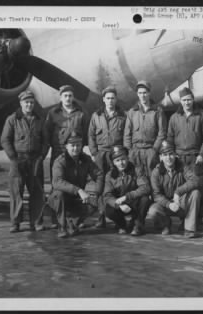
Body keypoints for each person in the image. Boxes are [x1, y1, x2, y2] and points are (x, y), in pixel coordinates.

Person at [0, 90, 48, 233]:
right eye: (26, 102)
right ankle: (15, 223)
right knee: (16, 192)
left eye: (31, 102)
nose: (29, 105)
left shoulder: (40, 119)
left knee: (37, 192)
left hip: (35, 160)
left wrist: (41, 157)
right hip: (18, 159)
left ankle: (37, 222)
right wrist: (13, 158)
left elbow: (46, 141)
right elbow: (5, 139)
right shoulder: (12, 119)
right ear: (21, 103)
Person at [44, 84, 89, 227]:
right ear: (60, 97)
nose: (68, 98)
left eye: (70, 95)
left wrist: (79, 149)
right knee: (56, 186)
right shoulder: (53, 113)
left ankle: (76, 218)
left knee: (77, 184)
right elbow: (47, 132)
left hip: (76, 154)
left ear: (73, 97)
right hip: (59, 153)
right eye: (65, 96)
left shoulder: (81, 113)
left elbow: (87, 132)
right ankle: (55, 219)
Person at [167, 87, 203, 226]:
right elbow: (170, 137)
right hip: (180, 157)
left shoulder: (202, 116)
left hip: (196, 158)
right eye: (184, 100)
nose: (187, 103)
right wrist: (172, 154)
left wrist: (202, 154)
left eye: (189, 100)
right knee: (182, 187)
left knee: (198, 186)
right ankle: (184, 218)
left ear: (193, 100)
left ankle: (198, 217)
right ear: (180, 101)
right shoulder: (174, 117)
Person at [48, 131, 103, 238]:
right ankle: (62, 226)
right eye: (72, 145)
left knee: (96, 201)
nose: (75, 148)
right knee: (59, 194)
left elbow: (99, 175)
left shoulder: (85, 159)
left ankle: (73, 224)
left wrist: (98, 192)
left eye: (78, 145)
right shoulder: (60, 161)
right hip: (61, 198)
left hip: (77, 198)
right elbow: (57, 182)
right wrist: (79, 190)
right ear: (66, 146)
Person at [88, 86, 126, 229]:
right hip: (101, 155)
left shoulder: (123, 115)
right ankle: (100, 216)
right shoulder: (96, 116)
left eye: (112, 98)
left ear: (116, 99)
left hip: (116, 154)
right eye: (108, 98)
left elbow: (126, 135)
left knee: (117, 184)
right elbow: (91, 136)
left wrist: (123, 154)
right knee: (100, 185)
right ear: (103, 99)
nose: (110, 101)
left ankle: (117, 217)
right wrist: (94, 153)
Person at [147, 141, 202, 238]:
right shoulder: (156, 172)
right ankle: (165, 224)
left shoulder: (182, 166)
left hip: (180, 202)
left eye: (171, 154)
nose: (168, 158)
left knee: (195, 193)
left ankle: (189, 229)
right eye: (165, 155)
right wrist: (169, 204)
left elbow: (195, 180)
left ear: (175, 155)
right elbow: (156, 195)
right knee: (153, 211)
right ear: (161, 157)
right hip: (166, 204)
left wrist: (178, 192)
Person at [103, 146, 151, 236]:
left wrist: (127, 197)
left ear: (128, 158)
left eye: (123, 159)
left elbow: (145, 187)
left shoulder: (137, 170)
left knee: (145, 199)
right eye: (117, 161)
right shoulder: (110, 175)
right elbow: (107, 195)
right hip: (121, 205)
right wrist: (118, 205)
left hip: (134, 203)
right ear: (113, 163)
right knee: (108, 210)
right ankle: (122, 225)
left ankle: (138, 225)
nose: (121, 163)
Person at [123, 80, 167, 177]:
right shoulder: (132, 112)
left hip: (150, 150)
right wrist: (129, 150)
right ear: (137, 94)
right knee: (136, 178)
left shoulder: (157, 111)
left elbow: (162, 133)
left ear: (149, 93)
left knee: (153, 177)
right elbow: (127, 133)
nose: (142, 95)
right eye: (140, 93)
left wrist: (154, 149)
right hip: (135, 151)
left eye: (144, 93)